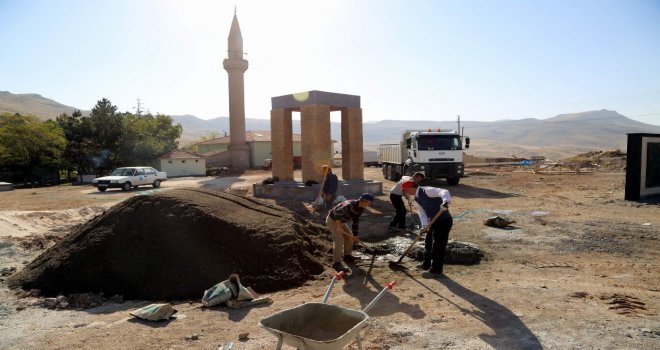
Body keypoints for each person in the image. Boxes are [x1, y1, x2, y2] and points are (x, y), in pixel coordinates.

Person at [401, 180, 452, 275]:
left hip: (443, 221)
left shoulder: (426, 190)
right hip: (432, 221)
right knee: (428, 242)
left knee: (438, 246)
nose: (405, 192)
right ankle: (426, 264)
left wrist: (446, 201)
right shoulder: (417, 198)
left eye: (405, 190)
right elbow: (422, 212)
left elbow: (444, 191)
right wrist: (424, 226)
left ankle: (436, 270)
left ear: (410, 188)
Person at [325, 193, 375, 273]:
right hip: (333, 221)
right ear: (364, 201)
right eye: (369, 203)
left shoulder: (360, 208)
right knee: (339, 240)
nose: (369, 205)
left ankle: (347, 256)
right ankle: (336, 263)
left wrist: (355, 235)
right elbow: (337, 212)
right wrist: (338, 225)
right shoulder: (349, 205)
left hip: (341, 222)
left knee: (350, 237)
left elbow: (355, 221)